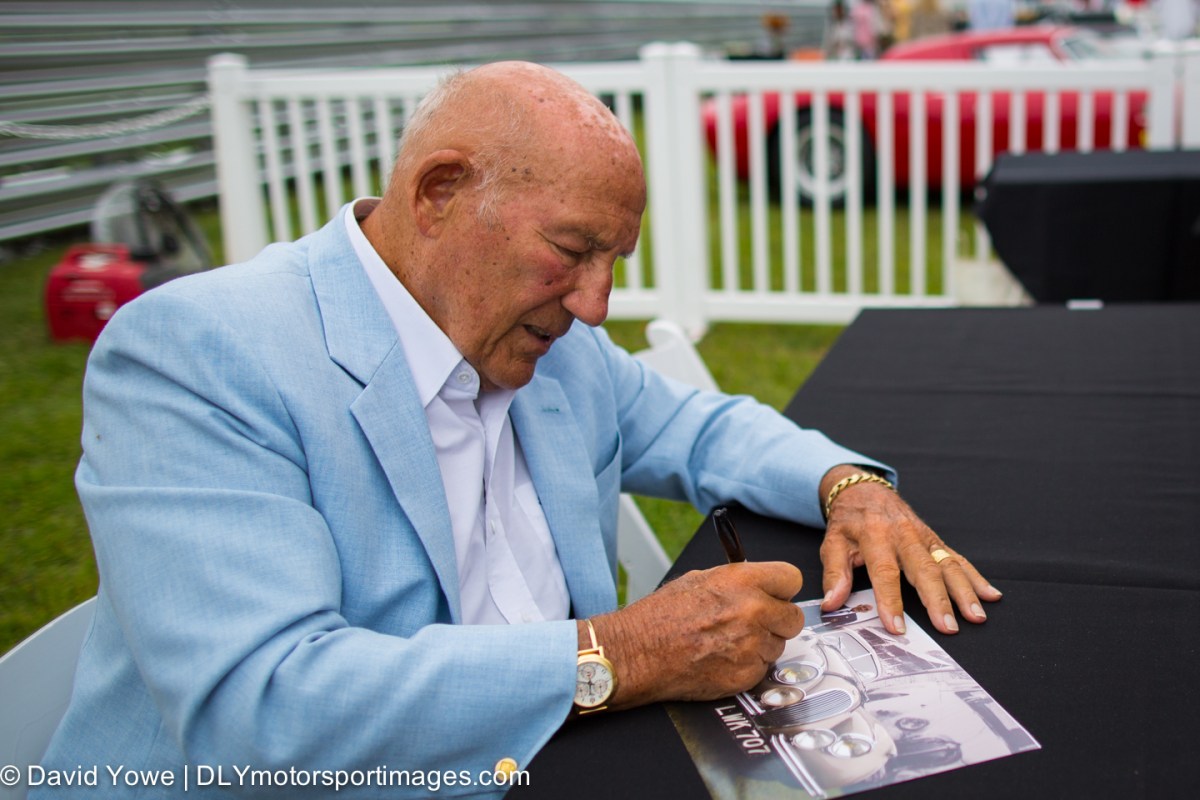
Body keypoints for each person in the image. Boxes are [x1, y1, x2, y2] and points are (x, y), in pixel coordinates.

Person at [36, 61, 999, 797]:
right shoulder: (202, 351)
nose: (595, 305)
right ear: (440, 193)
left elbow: (699, 429)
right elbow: (263, 711)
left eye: (614, 261)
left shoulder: (541, 341)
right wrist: (622, 654)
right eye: (573, 250)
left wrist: (848, 486)